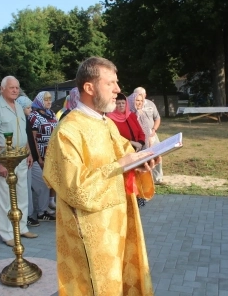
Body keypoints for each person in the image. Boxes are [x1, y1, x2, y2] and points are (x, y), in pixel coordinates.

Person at [43, 56, 158, 295]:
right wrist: (119, 165)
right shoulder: (68, 130)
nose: (118, 90)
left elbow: (125, 155)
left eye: (116, 83)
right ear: (89, 87)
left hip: (119, 219)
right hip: (91, 231)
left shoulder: (105, 123)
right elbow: (77, 189)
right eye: (111, 83)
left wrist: (143, 162)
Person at [0, 76, 37, 247]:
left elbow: (24, 133)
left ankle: (21, 227)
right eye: (11, 87)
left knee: (22, 193)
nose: (15, 90)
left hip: (21, 156)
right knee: (5, 196)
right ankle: (7, 233)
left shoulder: (19, 107)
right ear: (2, 89)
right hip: (5, 158)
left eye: (17, 87)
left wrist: (29, 152)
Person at [16, 95, 56, 227]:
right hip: (25, 158)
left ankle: (42, 211)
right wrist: (35, 156)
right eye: (27, 107)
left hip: (31, 157)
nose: (30, 109)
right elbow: (30, 138)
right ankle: (27, 215)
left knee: (43, 182)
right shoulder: (22, 119)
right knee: (25, 188)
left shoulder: (27, 118)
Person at [28, 91, 58, 210]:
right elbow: (33, 138)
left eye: (50, 99)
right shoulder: (34, 116)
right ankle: (43, 207)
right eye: (46, 100)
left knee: (54, 176)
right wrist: (39, 157)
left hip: (53, 151)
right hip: (42, 150)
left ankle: (51, 201)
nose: (49, 102)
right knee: (45, 179)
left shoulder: (51, 113)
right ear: (40, 101)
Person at [133, 87, 164, 184]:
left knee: (157, 154)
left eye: (141, 94)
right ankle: (143, 180)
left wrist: (154, 129)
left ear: (145, 95)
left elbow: (157, 118)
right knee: (142, 157)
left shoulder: (151, 104)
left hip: (152, 135)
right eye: (136, 94)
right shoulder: (131, 105)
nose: (139, 97)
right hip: (139, 138)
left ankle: (157, 179)